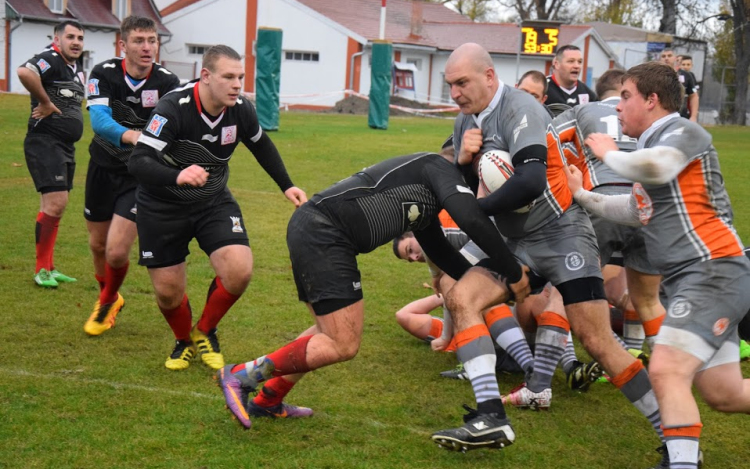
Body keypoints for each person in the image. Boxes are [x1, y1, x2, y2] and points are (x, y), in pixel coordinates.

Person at [438, 43, 665, 460]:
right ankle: (490, 416)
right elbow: (468, 190)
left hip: (562, 234)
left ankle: (676, 435)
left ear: (489, 76)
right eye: (450, 85)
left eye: (462, 82)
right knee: (460, 298)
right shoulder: (464, 123)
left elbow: (528, 183)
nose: (455, 92)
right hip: (514, 240)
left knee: (596, 338)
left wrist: (473, 210)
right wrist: (465, 163)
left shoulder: (522, 107)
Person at [215, 151, 530, 450]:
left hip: (318, 231)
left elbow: (441, 251)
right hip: (324, 234)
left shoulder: (430, 196)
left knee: (329, 334)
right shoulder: (439, 168)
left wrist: (489, 285)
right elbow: (472, 219)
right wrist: (513, 273)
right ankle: (241, 375)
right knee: (343, 343)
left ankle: (268, 399)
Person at [573, 61, 750, 468]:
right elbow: (635, 209)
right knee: (725, 394)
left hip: (713, 271)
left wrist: (611, 152)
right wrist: (584, 195)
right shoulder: (650, 148)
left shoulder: (681, 132)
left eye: (627, 97)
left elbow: (658, 166)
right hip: (706, 277)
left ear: (652, 101)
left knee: (667, 370)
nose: (618, 108)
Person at [128, 45, 307, 371]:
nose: (237, 84)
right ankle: (184, 340)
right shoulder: (173, 108)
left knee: (239, 270)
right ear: (207, 76)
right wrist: (177, 174)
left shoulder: (241, 109)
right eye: (229, 77)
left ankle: (205, 331)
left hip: (212, 202)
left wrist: (287, 184)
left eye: (240, 76)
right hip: (161, 206)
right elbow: (138, 161)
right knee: (168, 293)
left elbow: (261, 145)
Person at [549, 68, 667, 353]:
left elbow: (547, 140)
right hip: (647, 204)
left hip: (601, 200)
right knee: (647, 299)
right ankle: (657, 362)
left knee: (566, 286)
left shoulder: (584, 109)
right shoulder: (650, 118)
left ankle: (542, 380)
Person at [83, 16, 180, 336]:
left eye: (152, 40)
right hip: (101, 168)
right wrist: (135, 136)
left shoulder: (168, 82)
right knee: (97, 246)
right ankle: (109, 294)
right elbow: (99, 123)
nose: (147, 47)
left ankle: (107, 300)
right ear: (122, 45)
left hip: (139, 176)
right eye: (139, 41)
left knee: (116, 250)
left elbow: (175, 128)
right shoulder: (103, 73)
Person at [17, 21, 85, 288]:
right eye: (70, 37)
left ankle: (49, 267)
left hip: (65, 145)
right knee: (54, 204)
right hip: (46, 141)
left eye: (80, 37)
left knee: (58, 206)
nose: (76, 42)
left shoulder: (74, 69)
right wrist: (45, 102)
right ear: (57, 38)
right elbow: (24, 71)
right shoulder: (51, 58)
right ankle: (41, 270)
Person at [660, 48, 698, 122]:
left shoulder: (686, 75)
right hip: (659, 117)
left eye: (669, 55)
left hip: (681, 116)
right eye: (663, 56)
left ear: (675, 58)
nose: (666, 58)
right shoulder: (654, 75)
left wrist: (693, 116)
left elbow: (694, 96)